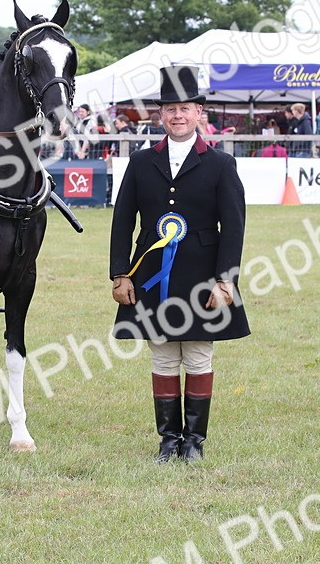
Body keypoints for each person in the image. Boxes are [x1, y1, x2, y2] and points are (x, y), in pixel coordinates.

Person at [109, 65, 249, 464]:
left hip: (203, 276)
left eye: (185, 108)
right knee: (164, 356)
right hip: (152, 276)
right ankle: (168, 440)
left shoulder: (221, 164)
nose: (177, 115)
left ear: (199, 112)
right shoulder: (140, 162)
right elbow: (123, 220)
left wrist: (225, 280)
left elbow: (234, 226)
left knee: (199, 356)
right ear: (160, 114)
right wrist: (120, 273)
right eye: (170, 108)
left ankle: (194, 443)